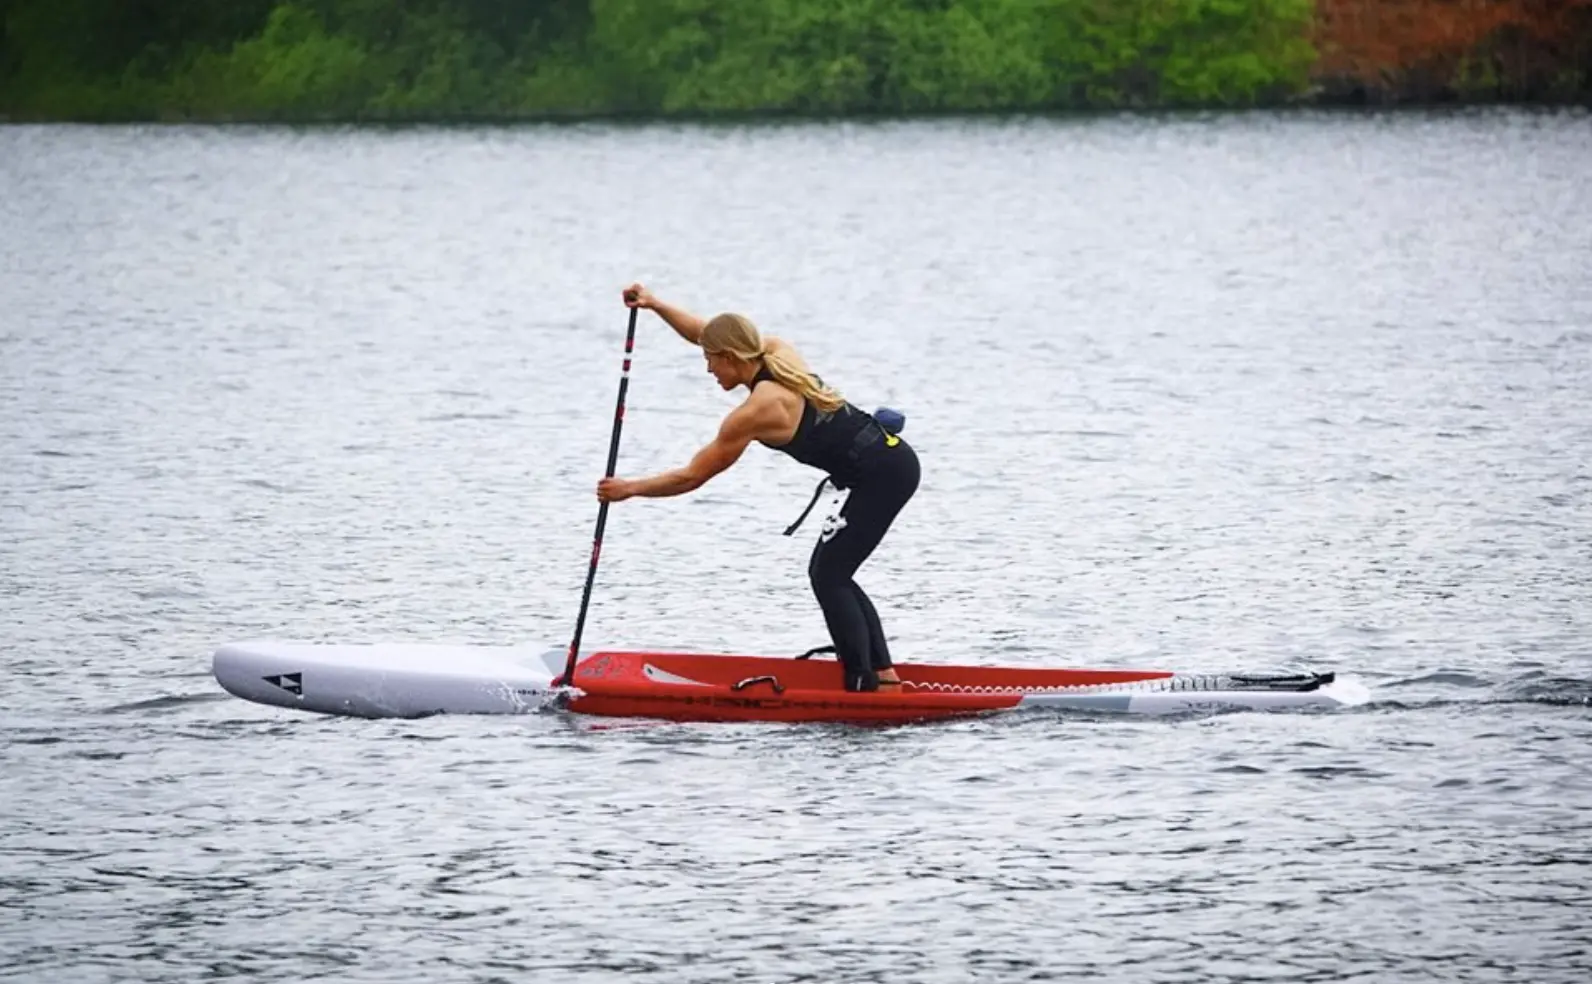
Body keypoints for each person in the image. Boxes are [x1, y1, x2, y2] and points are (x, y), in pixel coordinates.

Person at [596, 284, 920, 692]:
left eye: (710, 360)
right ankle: (884, 678)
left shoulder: (756, 411)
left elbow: (692, 477)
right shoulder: (772, 351)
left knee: (829, 575)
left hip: (884, 475)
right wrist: (655, 305)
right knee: (834, 572)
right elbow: (705, 330)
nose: (708, 369)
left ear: (730, 358)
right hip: (890, 461)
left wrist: (629, 489)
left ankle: (864, 683)